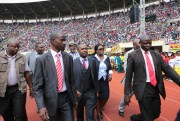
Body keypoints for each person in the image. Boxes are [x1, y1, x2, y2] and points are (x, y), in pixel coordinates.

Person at [124, 34, 180, 121]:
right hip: (142, 88)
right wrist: (127, 93)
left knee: (156, 113)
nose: (148, 45)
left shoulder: (156, 55)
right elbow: (128, 75)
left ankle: (135, 118)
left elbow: (168, 69)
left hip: (155, 87)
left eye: (150, 43)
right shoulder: (133, 55)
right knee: (148, 117)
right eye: (145, 43)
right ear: (140, 43)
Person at [33, 31, 78, 121]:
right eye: (62, 40)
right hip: (50, 100)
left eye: (65, 40)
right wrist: (41, 106)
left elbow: (71, 81)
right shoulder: (41, 60)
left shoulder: (68, 57)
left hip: (66, 98)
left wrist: (74, 99)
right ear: (53, 41)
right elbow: (37, 86)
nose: (65, 43)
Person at [0, 39, 32, 121]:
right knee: (6, 113)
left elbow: (26, 73)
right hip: (3, 90)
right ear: (7, 46)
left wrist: (31, 87)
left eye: (18, 47)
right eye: (14, 47)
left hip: (18, 89)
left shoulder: (22, 57)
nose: (16, 49)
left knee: (19, 113)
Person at [73, 43, 98, 121]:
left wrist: (97, 90)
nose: (84, 50)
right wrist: (74, 90)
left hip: (91, 93)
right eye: (82, 49)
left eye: (86, 48)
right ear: (78, 50)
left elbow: (95, 76)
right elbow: (71, 79)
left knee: (90, 116)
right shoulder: (73, 62)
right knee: (79, 116)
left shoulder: (93, 61)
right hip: (79, 94)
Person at [118, 39, 140, 117]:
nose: (141, 45)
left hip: (141, 79)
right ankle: (121, 109)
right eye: (139, 44)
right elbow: (127, 68)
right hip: (132, 79)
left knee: (143, 96)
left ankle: (145, 111)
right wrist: (130, 80)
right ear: (134, 45)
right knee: (127, 95)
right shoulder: (128, 53)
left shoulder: (143, 52)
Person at [91, 44, 113, 120]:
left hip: (104, 81)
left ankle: (99, 108)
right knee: (97, 97)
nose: (101, 50)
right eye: (100, 49)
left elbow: (109, 68)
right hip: (95, 81)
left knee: (105, 96)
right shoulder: (92, 58)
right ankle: (98, 113)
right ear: (96, 50)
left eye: (102, 49)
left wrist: (110, 74)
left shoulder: (107, 58)